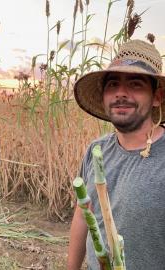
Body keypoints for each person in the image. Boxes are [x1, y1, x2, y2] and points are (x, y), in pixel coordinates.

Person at [67, 39, 165, 270]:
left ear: (157, 96)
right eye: (112, 84)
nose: (121, 93)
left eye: (135, 84)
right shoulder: (96, 150)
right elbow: (83, 215)